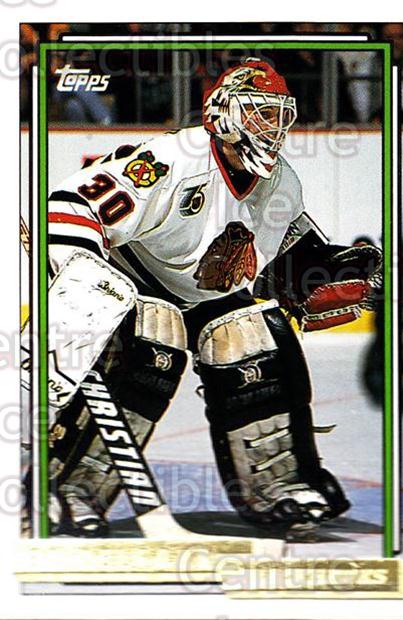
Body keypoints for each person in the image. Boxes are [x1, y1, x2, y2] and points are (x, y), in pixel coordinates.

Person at [44, 58, 381, 537]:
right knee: (155, 334)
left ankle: (280, 485)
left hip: (202, 295)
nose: (273, 126)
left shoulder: (281, 183)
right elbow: (70, 205)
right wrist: (85, 277)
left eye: (279, 114)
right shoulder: (173, 158)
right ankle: (70, 488)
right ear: (223, 113)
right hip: (133, 279)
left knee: (253, 334)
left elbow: (282, 262)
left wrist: (319, 273)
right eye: (259, 112)